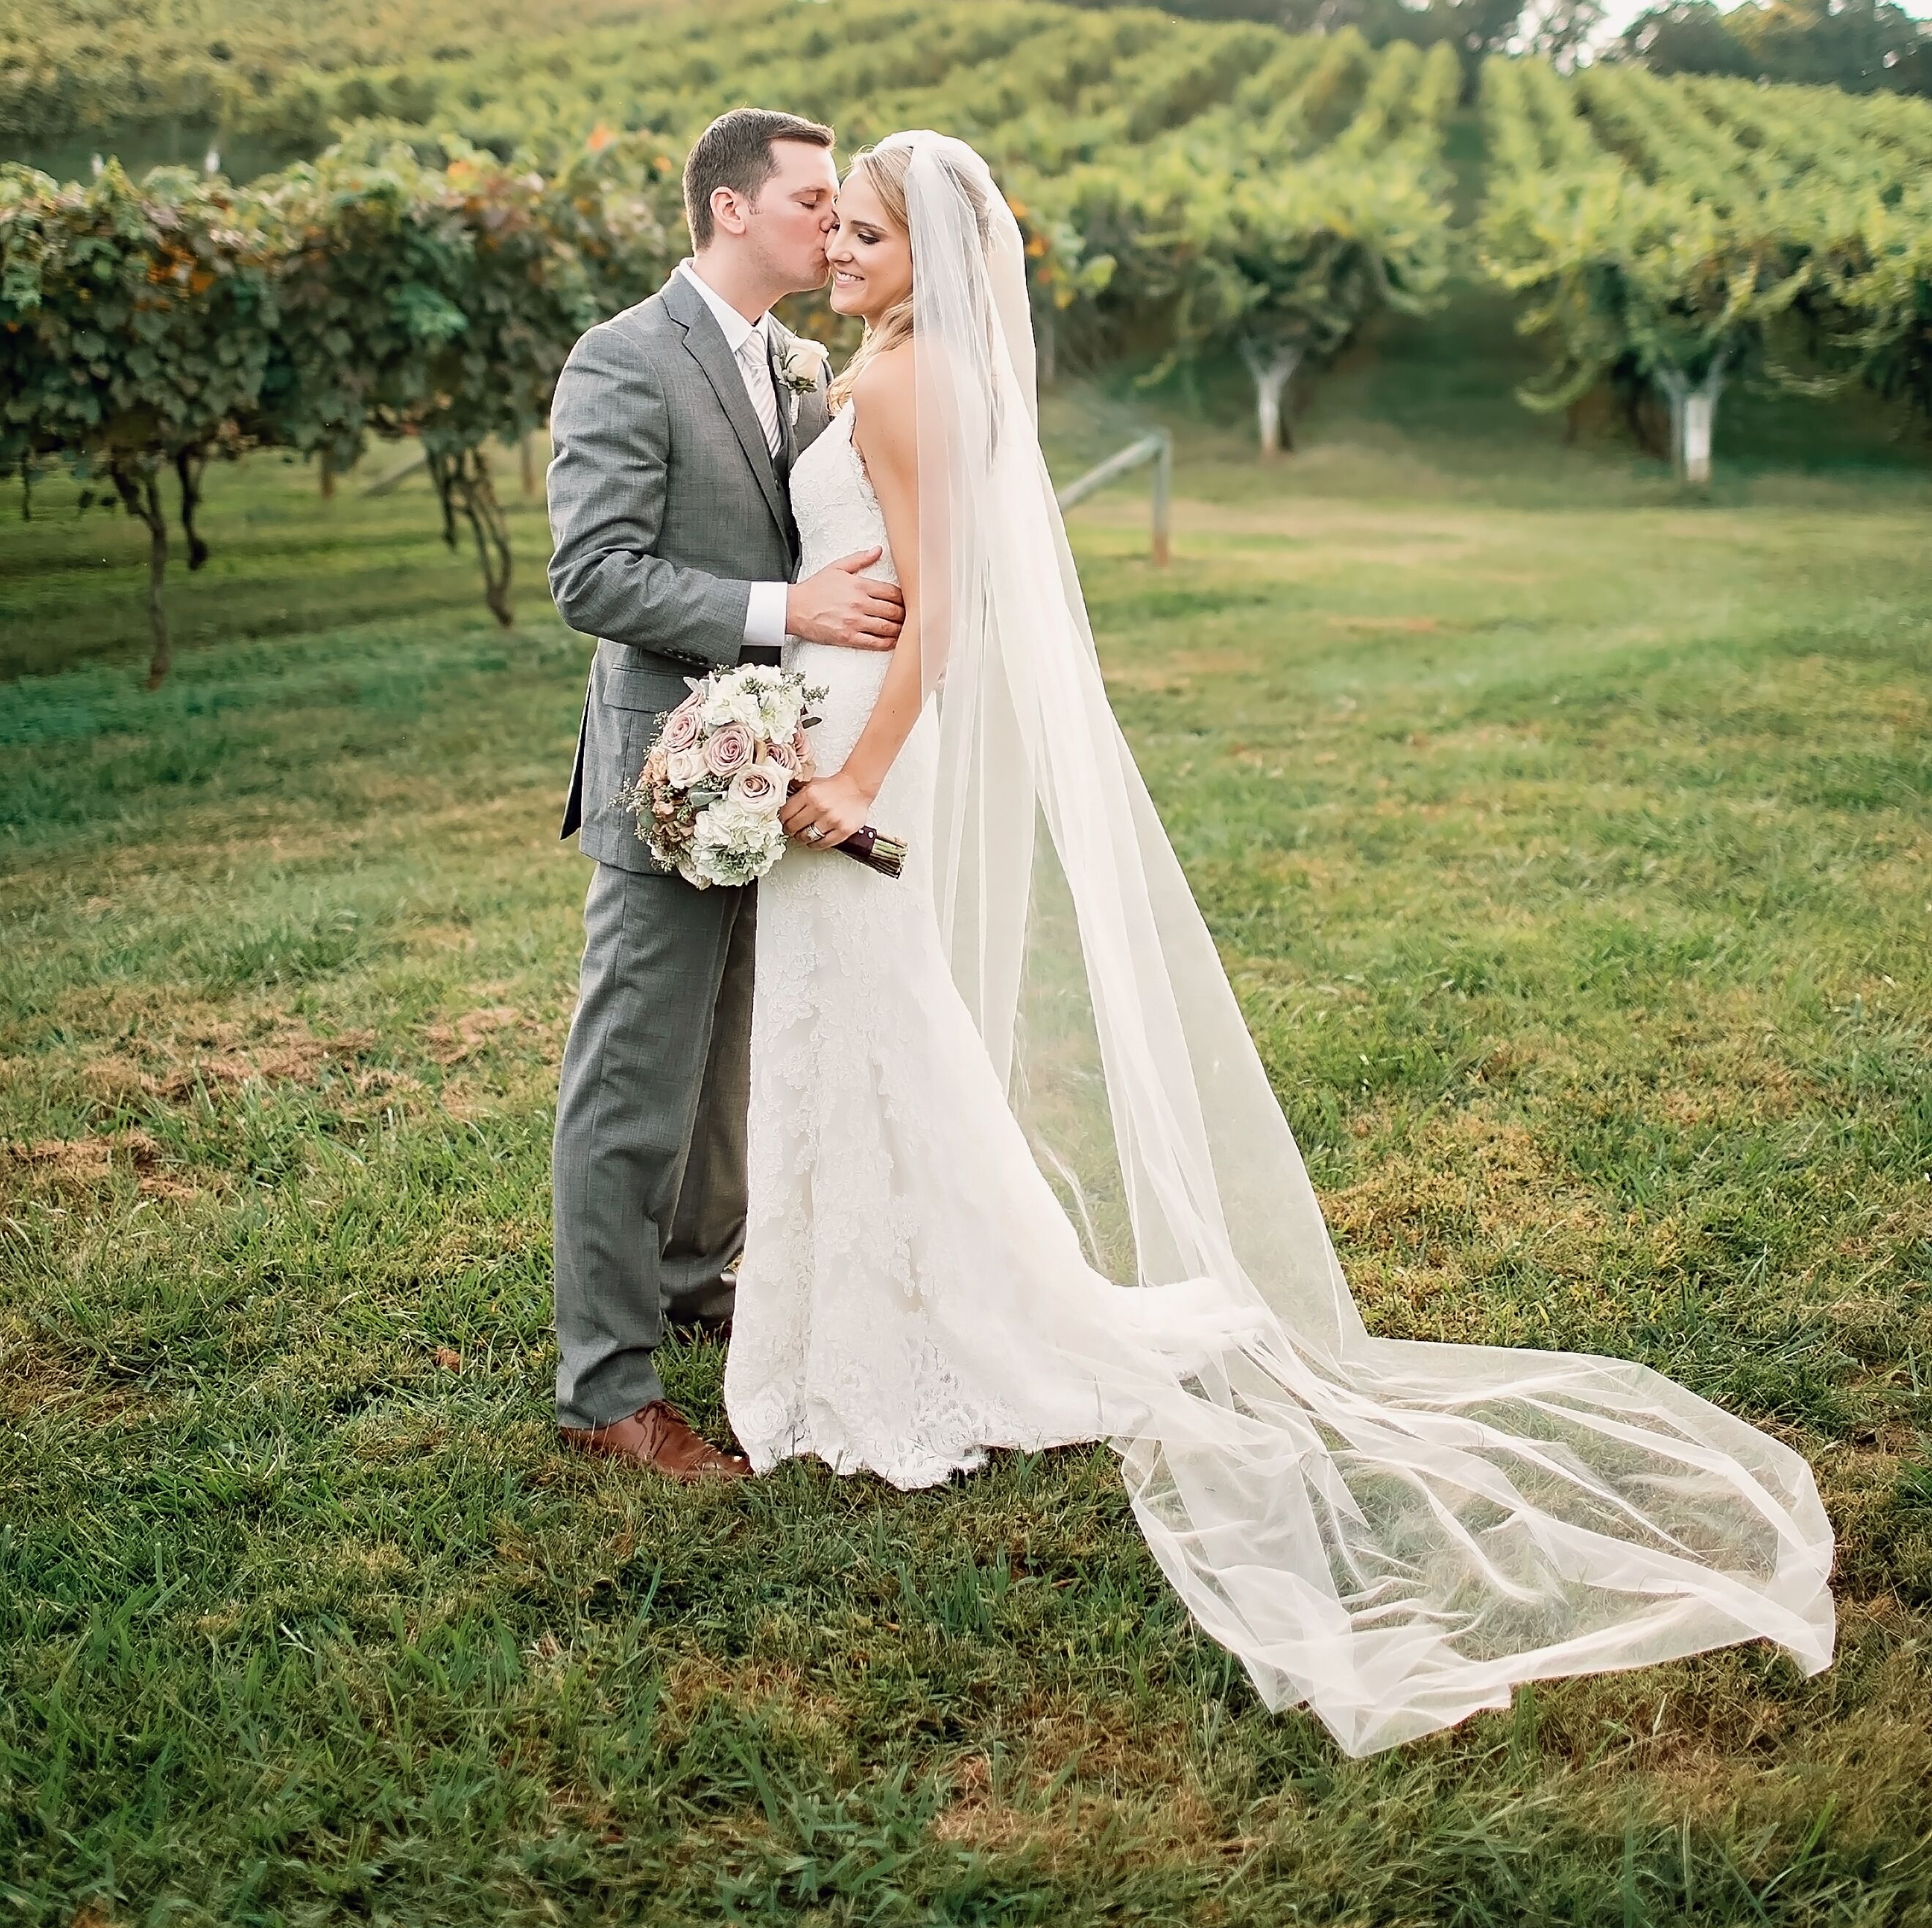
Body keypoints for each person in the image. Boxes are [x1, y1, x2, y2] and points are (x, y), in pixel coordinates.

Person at [719, 128, 1835, 1757]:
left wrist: (850, 778)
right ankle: (902, 1313)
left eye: (871, 237)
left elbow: (941, 613)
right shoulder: (904, 363)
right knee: (881, 1035)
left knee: (874, 1033)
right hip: (835, 716)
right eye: (843, 231)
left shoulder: (901, 382)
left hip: (861, 752)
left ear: (934, 255)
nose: (843, 253)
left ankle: (902, 1343)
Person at [544, 106, 905, 1480]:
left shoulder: (789, 360)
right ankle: (605, 1392)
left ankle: (697, 1285)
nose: (835, 222)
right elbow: (595, 574)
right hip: (670, 766)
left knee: (728, 1073)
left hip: (776, 765)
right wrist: (783, 608)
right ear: (729, 209)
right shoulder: (624, 359)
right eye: (814, 199)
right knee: (633, 1080)